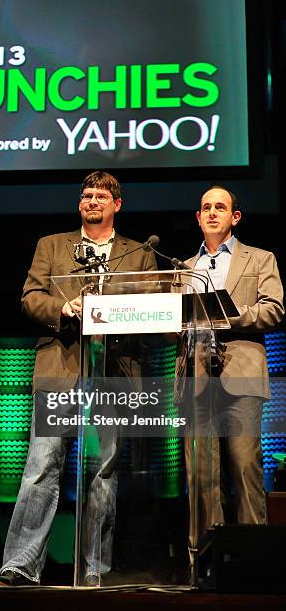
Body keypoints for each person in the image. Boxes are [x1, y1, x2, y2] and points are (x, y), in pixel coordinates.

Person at [0, 171, 156, 587]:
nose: (92, 201)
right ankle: (20, 566)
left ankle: (93, 570)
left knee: (103, 471)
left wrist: (110, 312)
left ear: (118, 204)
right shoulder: (51, 245)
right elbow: (31, 298)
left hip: (114, 371)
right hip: (60, 369)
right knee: (42, 465)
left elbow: (154, 303)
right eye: (86, 195)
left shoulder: (138, 254)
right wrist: (65, 309)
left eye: (101, 195)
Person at [177, 185, 284, 553]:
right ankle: (204, 562)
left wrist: (230, 318)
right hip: (196, 379)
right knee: (202, 475)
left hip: (240, 374)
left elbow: (274, 309)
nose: (211, 213)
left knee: (243, 466)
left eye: (219, 207)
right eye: (205, 207)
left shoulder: (260, 259)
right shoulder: (185, 269)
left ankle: (255, 560)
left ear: (234, 217)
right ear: (197, 217)